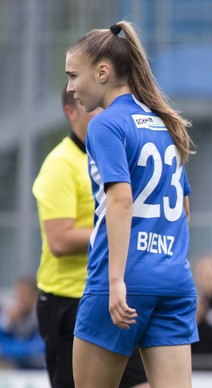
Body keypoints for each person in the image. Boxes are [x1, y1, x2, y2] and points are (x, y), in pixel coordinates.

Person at [64, 21, 197, 388]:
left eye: (74, 75)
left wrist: (117, 280)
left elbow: (120, 200)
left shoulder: (105, 125)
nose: (70, 87)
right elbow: (184, 209)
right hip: (174, 279)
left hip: (124, 281)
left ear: (103, 72)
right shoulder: (162, 122)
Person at [32, 86, 149, 387]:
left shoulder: (113, 155)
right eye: (90, 107)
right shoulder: (60, 164)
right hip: (68, 300)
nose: (100, 113)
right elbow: (59, 240)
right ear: (70, 112)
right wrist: (121, 228)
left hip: (110, 295)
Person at [0, 276, 45, 369]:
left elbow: (37, 349)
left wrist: (6, 349)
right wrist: (6, 323)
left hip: (39, 371)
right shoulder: (8, 317)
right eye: (19, 294)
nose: (22, 299)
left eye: (26, 294)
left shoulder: (43, 318)